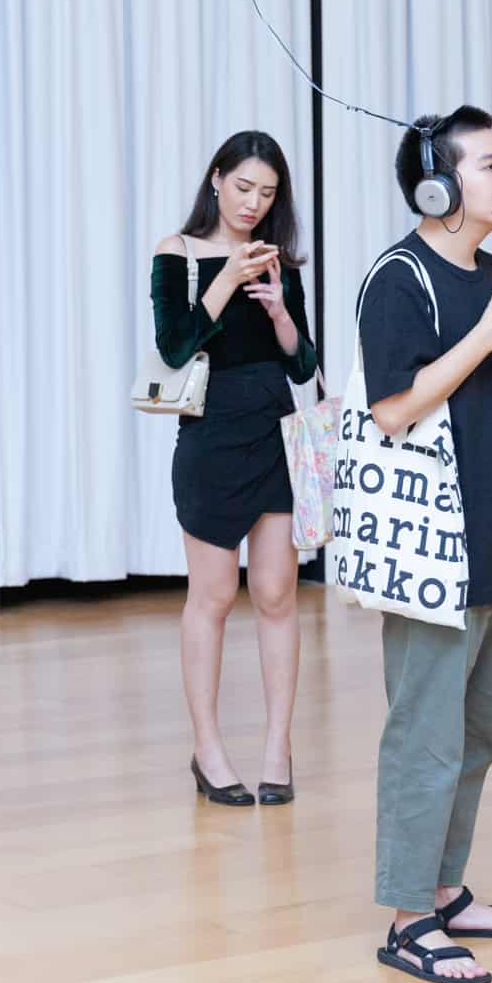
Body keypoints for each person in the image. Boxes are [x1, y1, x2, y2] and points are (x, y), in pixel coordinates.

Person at [359, 108, 492, 983]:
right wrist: (488, 334)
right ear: (438, 187)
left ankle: (443, 888)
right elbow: (393, 408)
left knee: (477, 731)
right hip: (433, 547)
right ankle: (407, 919)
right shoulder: (399, 280)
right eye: (490, 165)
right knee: (424, 736)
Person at [150, 131, 318, 807]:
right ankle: (208, 748)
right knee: (213, 595)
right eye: (244, 187)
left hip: (273, 430)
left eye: (268, 194)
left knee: (277, 594)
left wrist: (279, 311)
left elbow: (303, 363)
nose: (254, 203)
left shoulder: (278, 260)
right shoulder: (177, 253)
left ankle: (278, 746)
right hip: (210, 435)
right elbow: (173, 348)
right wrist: (224, 280)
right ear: (216, 178)